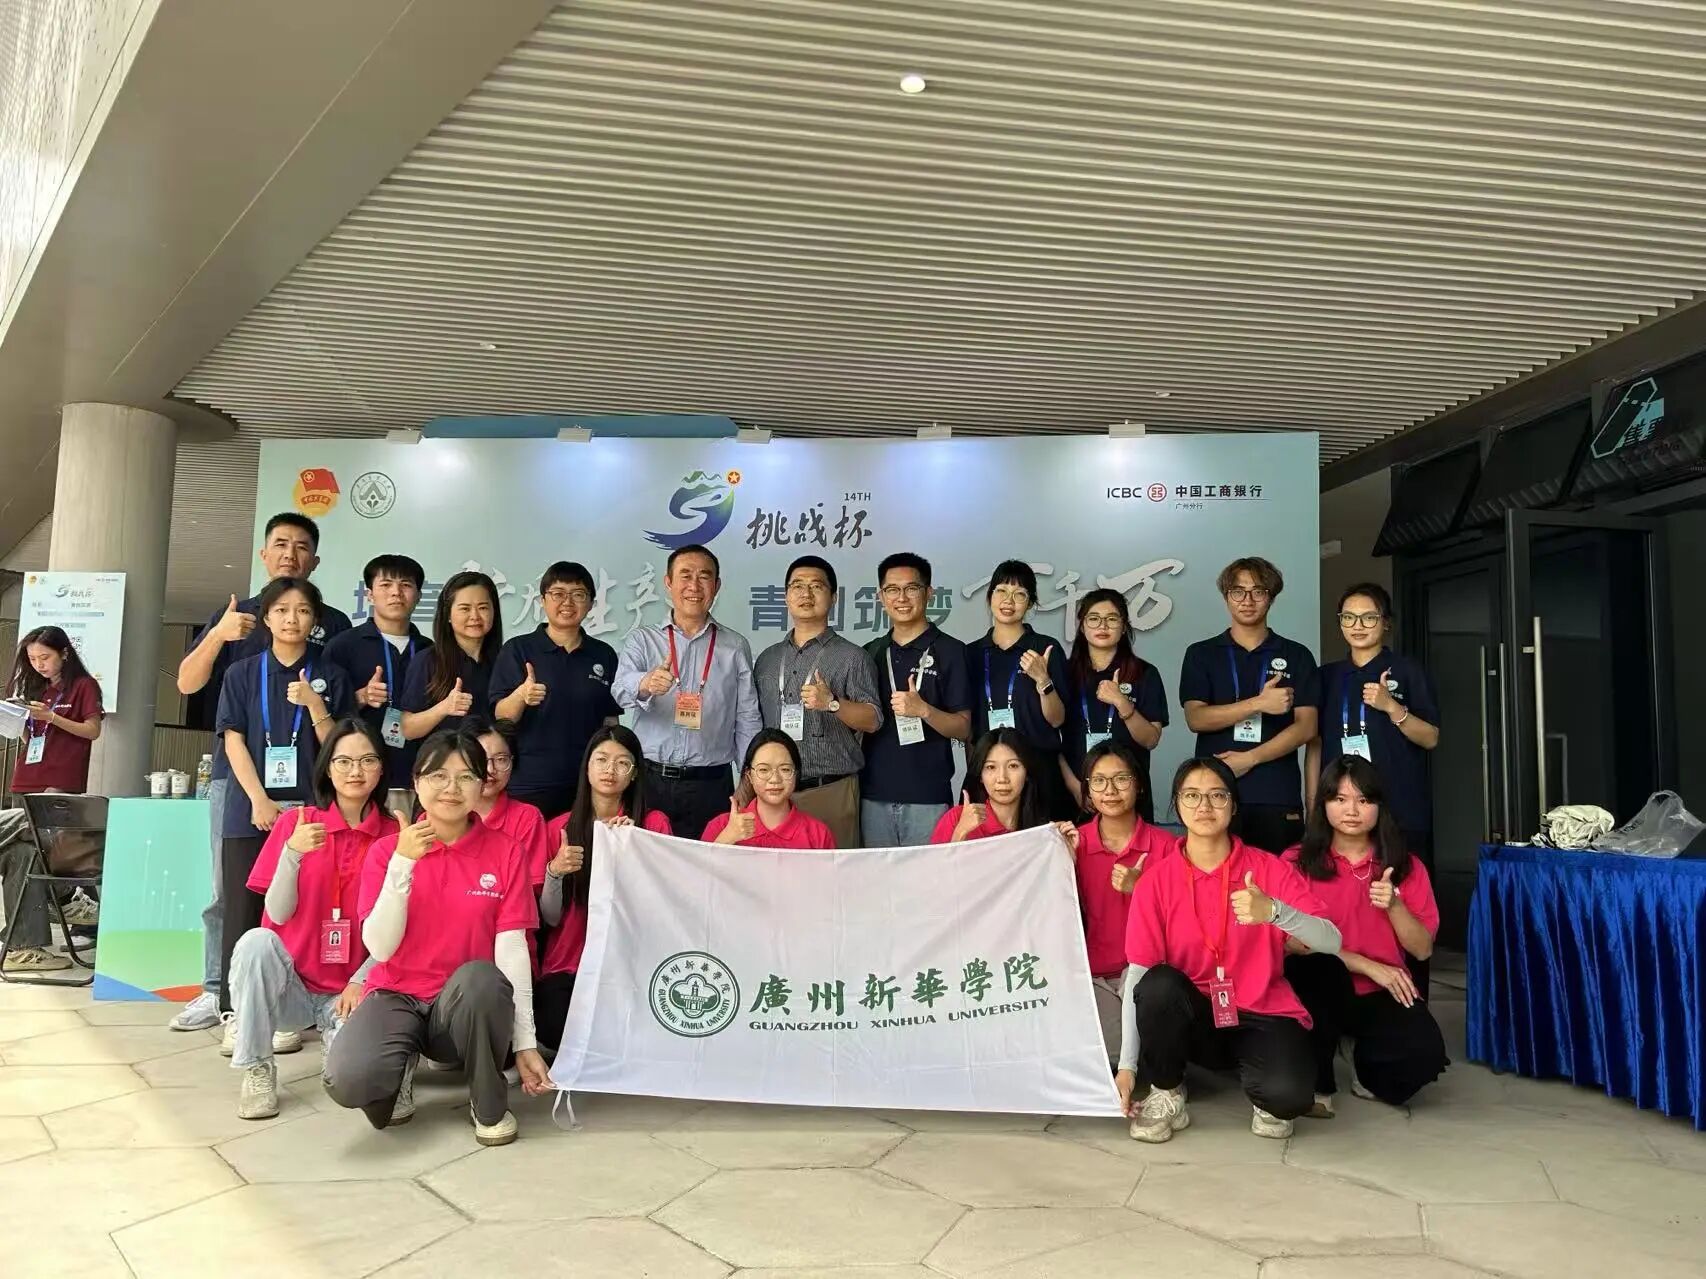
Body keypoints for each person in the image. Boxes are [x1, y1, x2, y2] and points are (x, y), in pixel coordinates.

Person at [170, 512, 351, 1031]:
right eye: (281, 544)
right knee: (230, 891)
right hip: (240, 780)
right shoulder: (234, 618)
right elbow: (187, 684)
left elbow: (343, 719)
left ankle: (295, 997)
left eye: (301, 546)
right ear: (264, 554)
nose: (291, 553)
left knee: (308, 892)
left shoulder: (334, 628)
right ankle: (219, 992)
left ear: (315, 559)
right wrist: (218, 636)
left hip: (309, 785)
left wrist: (323, 707)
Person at [325, 730, 549, 1146]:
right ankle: (399, 1070)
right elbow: (380, 948)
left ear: (481, 785)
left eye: (466, 777)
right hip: (397, 994)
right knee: (349, 1079)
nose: (451, 788)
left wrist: (525, 1043)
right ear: (416, 781)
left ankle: (488, 1103)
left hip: (464, 1005)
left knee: (482, 978)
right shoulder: (387, 852)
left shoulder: (505, 851)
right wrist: (403, 864)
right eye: (438, 776)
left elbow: (512, 948)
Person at [1118, 756, 1341, 1143]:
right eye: (1192, 795)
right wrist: (1128, 1067)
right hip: (1196, 1018)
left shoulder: (1268, 869)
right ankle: (1167, 1091)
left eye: (1217, 795)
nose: (1204, 806)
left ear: (1234, 805)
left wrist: (1275, 912)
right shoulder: (1156, 881)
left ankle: (1263, 1089)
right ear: (1176, 805)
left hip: (1261, 1012)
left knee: (1288, 1099)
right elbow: (1138, 972)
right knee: (1157, 985)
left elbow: (1331, 940)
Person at [225, 718, 397, 1119]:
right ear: (327, 768)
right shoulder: (296, 823)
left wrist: (360, 979)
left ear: (381, 768)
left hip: (354, 992)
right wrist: (292, 854)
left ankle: (337, 1041)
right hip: (292, 987)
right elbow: (277, 913)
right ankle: (257, 1066)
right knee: (255, 942)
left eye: (368, 760)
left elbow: (398, 927)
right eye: (344, 761)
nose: (355, 771)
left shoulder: (393, 834)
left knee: (348, 1077)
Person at [214, 578, 352, 1015]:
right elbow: (233, 740)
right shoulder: (242, 673)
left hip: (314, 814)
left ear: (315, 621)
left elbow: (340, 750)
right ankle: (236, 1010)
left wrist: (315, 705)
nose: (292, 619)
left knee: (305, 910)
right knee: (242, 909)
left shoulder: (332, 675)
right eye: (282, 610)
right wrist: (258, 799)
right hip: (251, 809)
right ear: (267, 618)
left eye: (303, 611)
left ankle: (294, 1008)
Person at [1284, 756, 1447, 1114]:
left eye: (1363, 799)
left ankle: (1361, 1059)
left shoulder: (1405, 865)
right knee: (1318, 970)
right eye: (1340, 799)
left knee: (1426, 1057)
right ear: (1323, 804)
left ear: (1379, 806)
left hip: (1379, 992)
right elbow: (1292, 943)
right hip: (1319, 988)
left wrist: (1395, 905)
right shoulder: (1297, 862)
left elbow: (1422, 950)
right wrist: (1367, 965)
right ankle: (1319, 1081)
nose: (1352, 811)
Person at [535, 725, 672, 1052]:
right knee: (554, 1026)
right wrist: (555, 871)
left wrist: (636, 852)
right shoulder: (558, 829)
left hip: (631, 964)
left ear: (634, 774)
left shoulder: (653, 824)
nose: (610, 770)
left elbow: (663, 908)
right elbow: (550, 918)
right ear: (587, 767)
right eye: (602, 760)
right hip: (570, 963)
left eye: (622, 763)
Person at [613, 544, 762, 838]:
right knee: (648, 862)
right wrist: (646, 683)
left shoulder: (734, 646)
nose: (694, 586)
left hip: (712, 783)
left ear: (716, 586)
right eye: (685, 575)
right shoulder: (643, 640)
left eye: (704, 577)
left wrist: (748, 781)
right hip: (649, 780)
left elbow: (747, 717)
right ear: (668, 582)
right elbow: (619, 689)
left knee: (710, 861)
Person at [1179, 557, 1319, 854]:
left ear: (1271, 597)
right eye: (1237, 591)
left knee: (1278, 879)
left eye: (1258, 591)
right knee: (1216, 879)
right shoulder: (1201, 654)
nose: (1247, 600)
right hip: (1214, 795)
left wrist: (1250, 758)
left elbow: (1307, 727)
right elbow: (1196, 718)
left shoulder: (1297, 655)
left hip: (1276, 793)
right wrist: (1259, 703)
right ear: (1226, 596)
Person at [754, 555, 882, 848]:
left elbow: (873, 719)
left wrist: (833, 703)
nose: (806, 594)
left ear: (833, 597)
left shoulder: (853, 657)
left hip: (831, 790)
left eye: (816, 586)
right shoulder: (767, 660)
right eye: (797, 586)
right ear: (786, 596)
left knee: (833, 873)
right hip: (774, 794)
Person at [1307, 582, 1440, 860]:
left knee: (1402, 880)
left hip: (1399, 805)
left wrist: (1391, 706)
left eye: (1369, 617)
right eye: (1348, 617)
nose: (1358, 625)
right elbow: (1315, 744)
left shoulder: (1407, 670)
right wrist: (1313, 804)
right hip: (1342, 809)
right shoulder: (1326, 676)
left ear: (1386, 622)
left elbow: (1430, 738)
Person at [0, 627, 104, 974]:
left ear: (64, 653)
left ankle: (64, 900)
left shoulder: (83, 686)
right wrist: (19, 719)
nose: (38, 664)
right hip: (27, 775)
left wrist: (53, 717)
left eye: (44, 657)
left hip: (61, 779)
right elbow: (30, 736)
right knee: (28, 850)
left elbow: (92, 730)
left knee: (45, 845)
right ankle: (64, 900)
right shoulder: (33, 688)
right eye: (32, 659)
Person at [489, 561, 620, 819]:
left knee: (580, 845)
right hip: (529, 781)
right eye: (558, 593)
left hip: (586, 783)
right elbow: (502, 716)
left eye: (578, 594)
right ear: (542, 600)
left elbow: (610, 720)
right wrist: (521, 696)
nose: (567, 602)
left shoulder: (603, 654)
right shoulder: (518, 649)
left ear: (591, 603)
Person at [859, 552, 972, 848]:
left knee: (929, 876)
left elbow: (963, 728)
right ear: (881, 597)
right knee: (878, 876)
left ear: (929, 593)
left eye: (912, 588)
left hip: (928, 797)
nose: (902, 598)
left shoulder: (951, 651)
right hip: (873, 796)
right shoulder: (870, 652)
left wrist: (924, 710)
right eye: (892, 590)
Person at [1075, 741, 1176, 1062]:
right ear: (1087, 790)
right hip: (1093, 977)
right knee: (1116, 1053)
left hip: (1151, 974)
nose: (1110, 790)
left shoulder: (1168, 847)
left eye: (1121, 779)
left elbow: (1187, 918)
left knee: (1154, 1043)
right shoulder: (1072, 844)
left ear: (1139, 784)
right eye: (1099, 781)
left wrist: (1142, 888)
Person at [323, 555, 431, 815]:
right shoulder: (343, 646)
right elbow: (322, 711)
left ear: (418, 596)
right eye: (386, 585)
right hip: (360, 779)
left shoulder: (430, 650)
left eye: (406, 585)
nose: (396, 593)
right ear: (369, 595)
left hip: (421, 776)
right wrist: (359, 697)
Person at [966, 561, 1074, 820]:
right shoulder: (970, 653)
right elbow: (968, 725)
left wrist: (1043, 680)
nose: (1009, 601)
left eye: (1020, 594)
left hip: (1040, 774)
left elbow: (1058, 719)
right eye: (1001, 591)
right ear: (990, 596)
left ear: (1031, 603)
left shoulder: (1045, 649)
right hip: (991, 776)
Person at [1065, 590, 1168, 821]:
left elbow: (1151, 739)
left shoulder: (1144, 673)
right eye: (1094, 618)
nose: (1103, 626)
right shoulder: (1065, 673)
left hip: (1128, 792)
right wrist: (1075, 787)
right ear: (1082, 626)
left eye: (1112, 619)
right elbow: (1053, 739)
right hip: (1077, 795)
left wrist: (1122, 703)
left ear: (1123, 627)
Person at [929, 728, 1078, 850]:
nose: (1002, 778)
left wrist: (1067, 853)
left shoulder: (1043, 830)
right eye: (991, 767)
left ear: (1027, 772)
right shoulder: (956, 818)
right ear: (980, 775)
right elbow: (935, 874)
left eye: (1013, 766)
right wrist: (960, 832)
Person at [400, 570, 502, 741]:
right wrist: (444, 708)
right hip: (446, 756)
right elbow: (406, 729)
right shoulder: (428, 660)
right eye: (465, 609)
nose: (475, 616)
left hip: (495, 757)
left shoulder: (504, 659)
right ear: (448, 615)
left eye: (483, 607)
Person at [702, 729, 836, 849]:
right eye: (764, 770)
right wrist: (727, 837)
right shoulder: (720, 826)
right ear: (749, 776)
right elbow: (700, 868)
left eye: (785, 769)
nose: (775, 779)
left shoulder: (818, 834)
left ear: (796, 774)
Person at [465, 718, 551, 886]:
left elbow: (529, 888)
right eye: (480, 758)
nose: (490, 770)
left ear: (513, 762)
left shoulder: (527, 818)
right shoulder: (444, 812)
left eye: (501, 759)